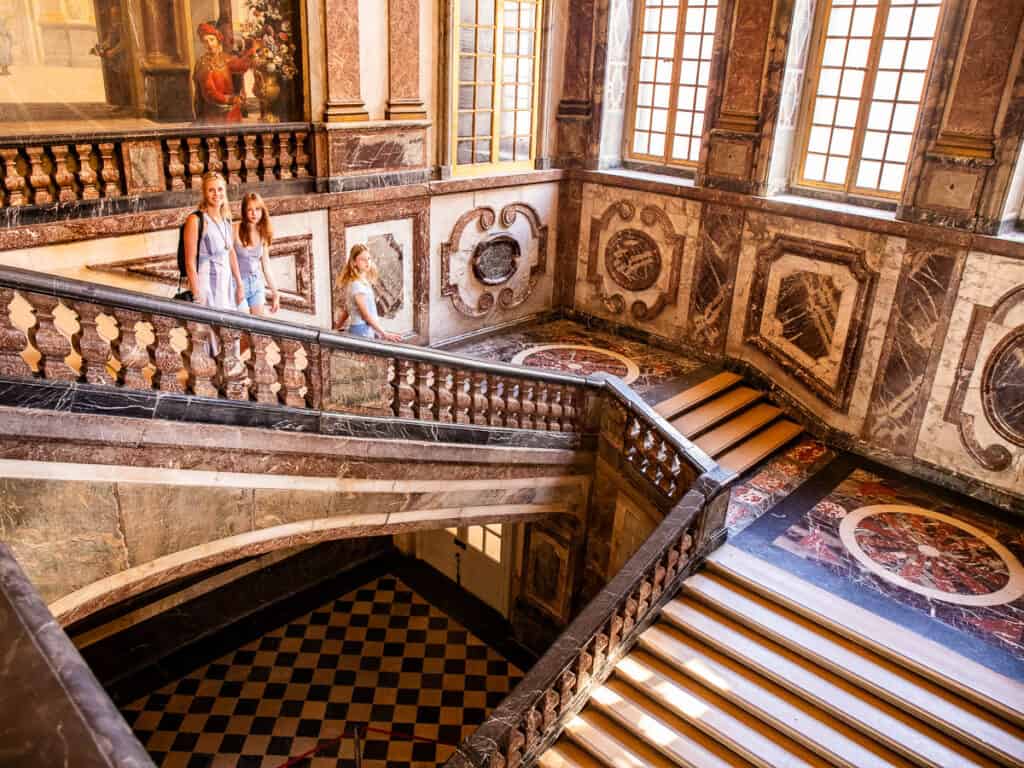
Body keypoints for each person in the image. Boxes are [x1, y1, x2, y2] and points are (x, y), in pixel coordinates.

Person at [183, 171, 245, 312]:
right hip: (206, 287)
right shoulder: (196, 220)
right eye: (211, 190)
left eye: (220, 189)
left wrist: (239, 284)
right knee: (209, 333)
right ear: (205, 193)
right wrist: (196, 295)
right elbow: (190, 262)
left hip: (226, 286)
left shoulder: (226, 220)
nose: (216, 194)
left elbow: (230, 253)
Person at [336, 244, 401, 342]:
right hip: (362, 331)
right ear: (354, 263)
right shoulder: (357, 285)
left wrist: (337, 327)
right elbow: (365, 316)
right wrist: (385, 334)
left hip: (367, 328)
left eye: (369, 258)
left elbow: (348, 308)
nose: (367, 262)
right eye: (363, 259)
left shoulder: (361, 281)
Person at [193, 21, 251, 122]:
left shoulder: (225, 58)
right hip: (214, 114)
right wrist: (231, 99)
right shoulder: (202, 64)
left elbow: (241, 66)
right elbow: (209, 93)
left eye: (212, 40)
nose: (209, 44)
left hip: (231, 111)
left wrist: (249, 51)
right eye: (205, 41)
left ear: (218, 40)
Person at [233, 192, 280, 315]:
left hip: (255, 283)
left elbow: (266, 266)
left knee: (258, 328)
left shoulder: (263, 233)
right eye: (250, 210)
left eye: (257, 209)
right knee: (243, 325)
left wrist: (275, 293)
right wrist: (238, 285)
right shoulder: (234, 229)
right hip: (236, 284)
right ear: (244, 211)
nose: (254, 213)